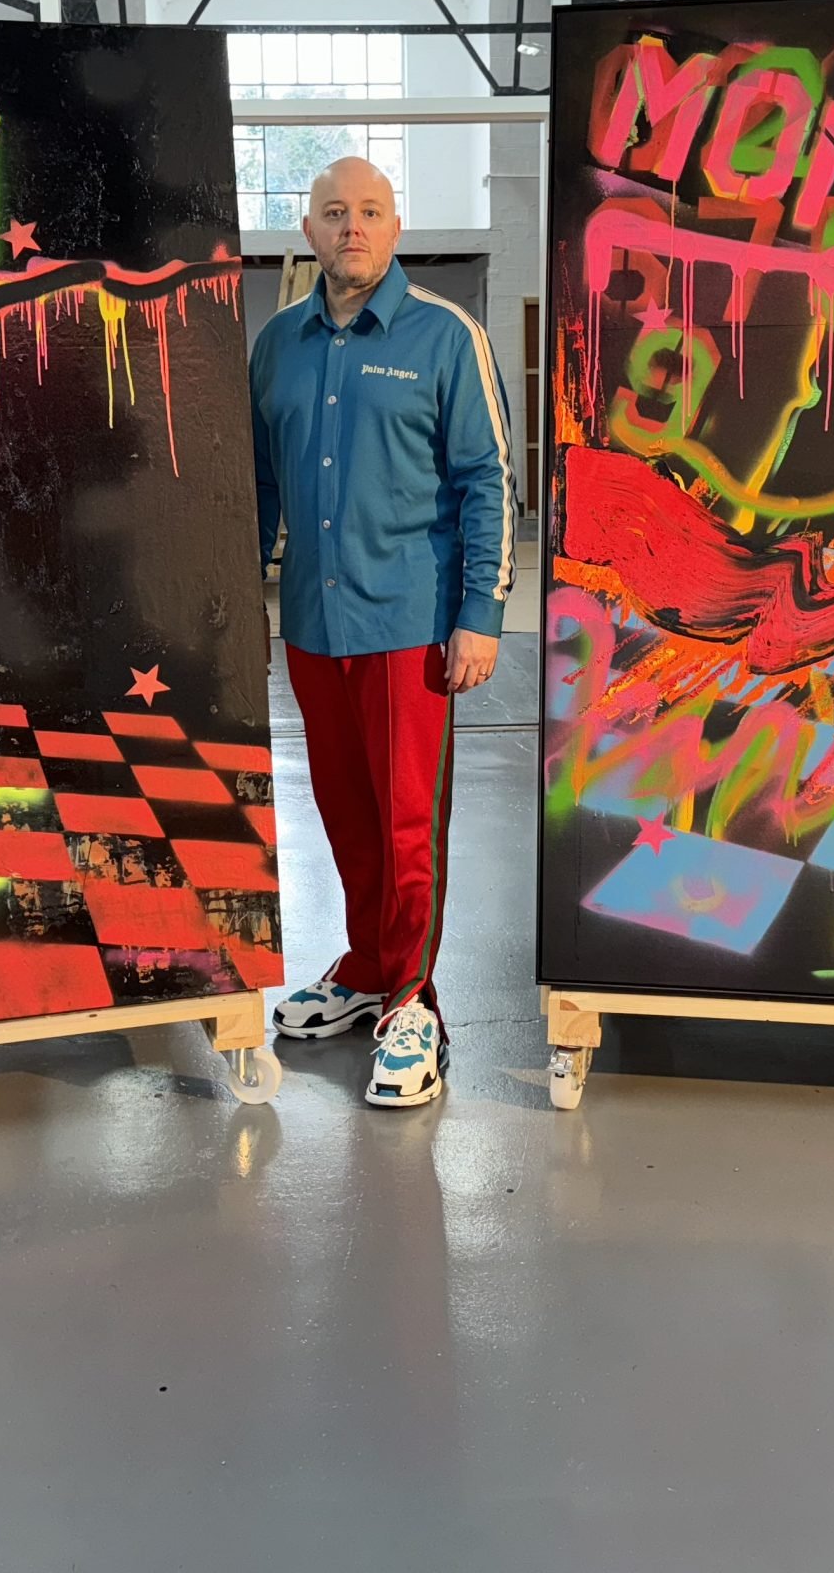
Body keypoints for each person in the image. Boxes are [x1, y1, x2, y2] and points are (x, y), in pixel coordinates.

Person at [251, 156, 516, 1108]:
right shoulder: (278, 344)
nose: (351, 227)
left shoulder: (448, 338)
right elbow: (261, 483)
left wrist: (479, 615)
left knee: (409, 828)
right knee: (346, 816)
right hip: (315, 627)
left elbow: (488, 481)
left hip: (411, 627)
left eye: (369, 211)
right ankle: (366, 967)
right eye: (333, 213)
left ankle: (413, 1003)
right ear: (309, 231)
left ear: (395, 227)